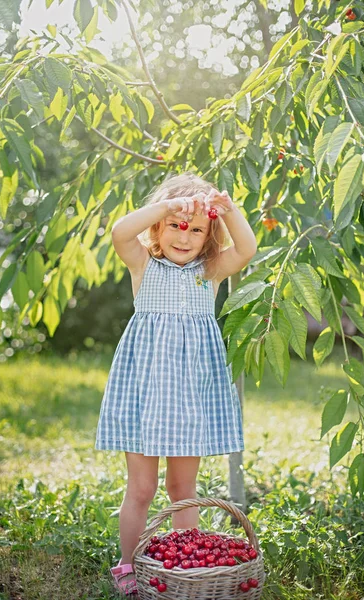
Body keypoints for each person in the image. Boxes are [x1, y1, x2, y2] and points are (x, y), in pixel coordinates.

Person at [94, 171, 257, 596]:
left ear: (208, 237)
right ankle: (128, 566)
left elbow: (248, 248)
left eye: (196, 229)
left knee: (182, 488)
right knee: (142, 488)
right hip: (146, 393)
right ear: (159, 228)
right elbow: (119, 231)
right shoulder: (143, 264)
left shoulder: (212, 271)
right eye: (175, 226)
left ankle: (184, 566)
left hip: (191, 395)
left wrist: (230, 210)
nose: (184, 238)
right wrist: (168, 205)